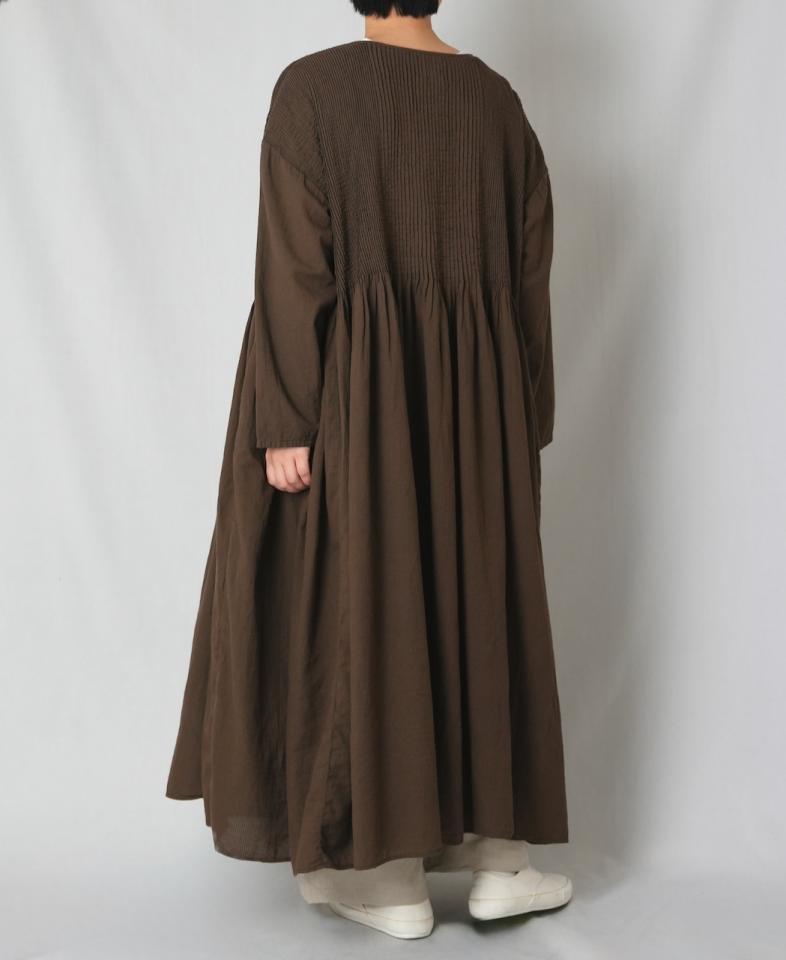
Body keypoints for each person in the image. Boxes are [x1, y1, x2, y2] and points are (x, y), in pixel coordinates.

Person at [165, 0, 572, 939]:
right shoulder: (498, 103)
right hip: (483, 406)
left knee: (367, 605)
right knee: (476, 604)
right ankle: (499, 863)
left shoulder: (313, 91)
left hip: (354, 399)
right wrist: (523, 419)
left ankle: (388, 882)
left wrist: (285, 418)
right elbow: (530, 276)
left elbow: (294, 267)